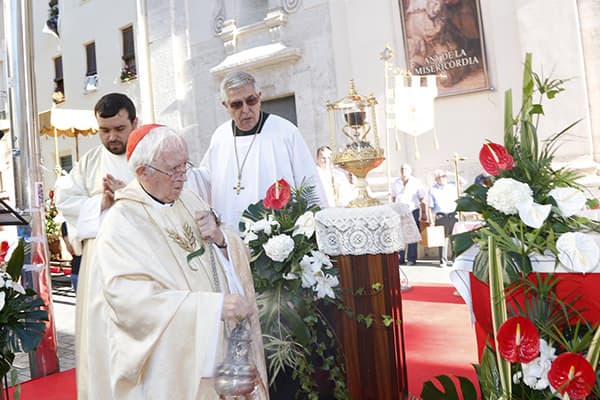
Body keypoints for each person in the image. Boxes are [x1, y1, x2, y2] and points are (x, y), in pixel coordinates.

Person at [86, 124, 268, 399]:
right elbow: (129, 301)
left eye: (185, 166)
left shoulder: (189, 199)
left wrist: (220, 238)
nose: (182, 177)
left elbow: (228, 250)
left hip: (224, 352)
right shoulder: (122, 222)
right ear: (142, 172)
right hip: (171, 371)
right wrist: (211, 308)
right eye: (173, 169)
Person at [55, 93, 138, 399]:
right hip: (100, 269)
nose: (112, 136)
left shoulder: (150, 154)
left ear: (134, 122)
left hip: (143, 266)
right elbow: (65, 199)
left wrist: (127, 196)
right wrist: (99, 203)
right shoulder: (89, 162)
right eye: (104, 130)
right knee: (103, 339)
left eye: (119, 128)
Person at [200, 70, 326, 229]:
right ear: (225, 106)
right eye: (237, 104)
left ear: (259, 97)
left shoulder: (286, 132)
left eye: (251, 100)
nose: (245, 109)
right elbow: (203, 180)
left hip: (277, 239)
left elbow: (309, 184)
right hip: (229, 239)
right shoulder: (220, 137)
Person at [390, 163, 427, 265]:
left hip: (412, 210)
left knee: (412, 234)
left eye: (406, 169)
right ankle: (400, 258)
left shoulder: (416, 182)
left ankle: (411, 258)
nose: (403, 170)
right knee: (400, 234)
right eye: (402, 169)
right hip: (399, 211)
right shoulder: (395, 182)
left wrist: (424, 213)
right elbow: (393, 197)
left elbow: (422, 198)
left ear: (410, 171)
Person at [427, 169, 459, 267]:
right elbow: (430, 207)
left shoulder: (452, 185)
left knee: (454, 239)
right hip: (440, 215)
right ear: (436, 179)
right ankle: (443, 260)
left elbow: (463, 182)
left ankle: (455, 259)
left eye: (443, 176)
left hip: (453, 214)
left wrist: (451, 172)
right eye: (439, 177)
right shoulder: (432, 189)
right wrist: (431, 221)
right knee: (442, 240)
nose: (442, 179)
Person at [60, 221, 81, 291]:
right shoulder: (66, 225)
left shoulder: (66, 225)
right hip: (79, 264)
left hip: (77, 267)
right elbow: (70, 249)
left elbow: (70, 249)